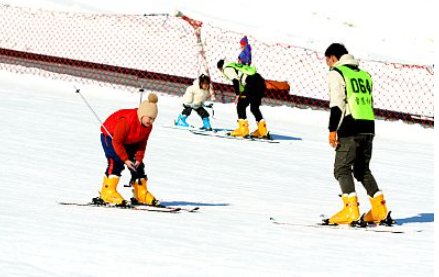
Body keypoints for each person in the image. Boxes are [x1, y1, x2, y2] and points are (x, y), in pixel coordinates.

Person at [324, 43, 392, 225]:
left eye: (327, 61)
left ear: (333, 58)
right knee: (362, 170)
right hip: (368, 127)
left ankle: (350, 210)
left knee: (341, 168)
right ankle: (380, 209)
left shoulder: (337, 73)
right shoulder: (364, 75)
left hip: (350, 127)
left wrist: (332, 130)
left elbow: (338, 104)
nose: (327, 65)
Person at [94, 93, 161, 207]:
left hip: (129, 140)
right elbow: (117, 142)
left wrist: (139, 158)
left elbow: (142, 143)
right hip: (111, 137)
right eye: (149, 117)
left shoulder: (148, 126)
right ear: (142, 114)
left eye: (153, 119)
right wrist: (125, 159)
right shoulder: (126, 121)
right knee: (116, 161)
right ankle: (107, 191)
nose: (150, 121)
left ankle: (140, 193)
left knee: (137, 165)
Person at [217, 59, 269, 138]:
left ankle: (243, 130)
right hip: (260, 82)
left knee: (241, 106)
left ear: (220, 68)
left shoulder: (226, 68)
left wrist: (237, 95)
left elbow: (235, 80)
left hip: (251, 82)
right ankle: (263, 131)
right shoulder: (235, 65)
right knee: (254, 108)